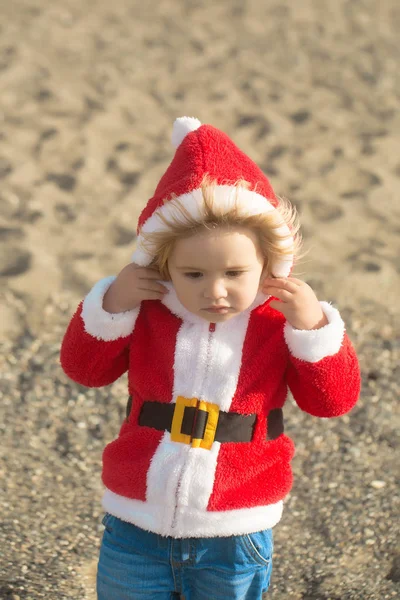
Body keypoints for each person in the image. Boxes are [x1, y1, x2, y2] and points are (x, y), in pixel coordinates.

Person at [60, 117, 361, 600]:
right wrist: (112, 303)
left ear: (269, 264)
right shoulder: (149, 313)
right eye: (193, 273)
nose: (215, 291)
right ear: (163, 266)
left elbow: (333, 401)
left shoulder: (277, 323)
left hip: (235, 528)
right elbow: (84, 370)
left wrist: (314, 329)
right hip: (137, 521)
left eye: (235, 272)